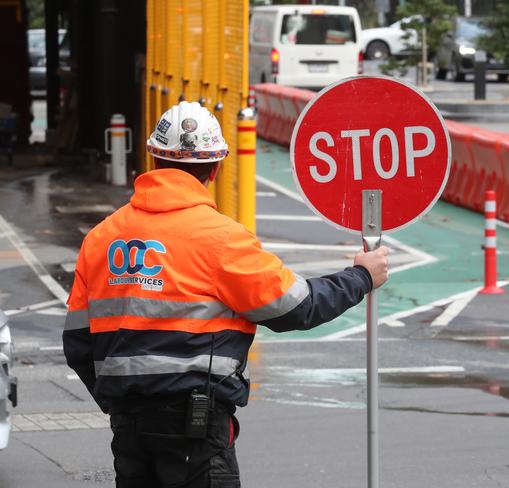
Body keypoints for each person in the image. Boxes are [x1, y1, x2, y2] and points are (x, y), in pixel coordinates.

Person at [63, 101, 389, 488]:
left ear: (152, 161)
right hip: (195, 430)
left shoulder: (101, 238)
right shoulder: (220, 238)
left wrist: (119, 404)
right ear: (214, 168)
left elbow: (77, 343)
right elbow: (297, 307)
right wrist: (360, 277)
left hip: (129, 430)